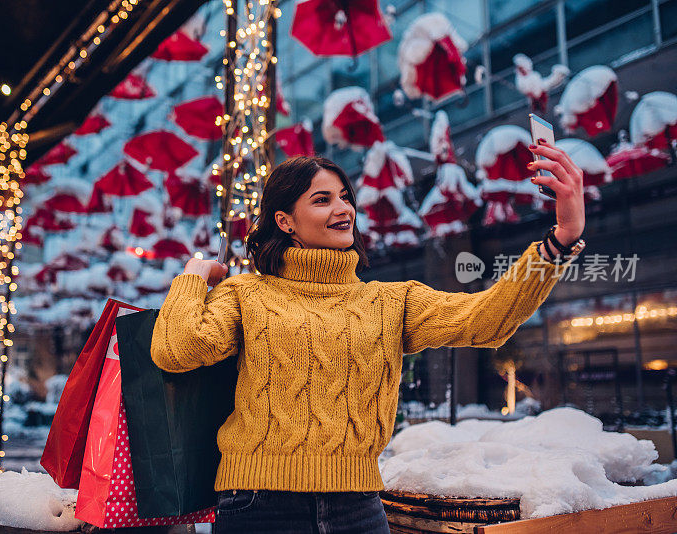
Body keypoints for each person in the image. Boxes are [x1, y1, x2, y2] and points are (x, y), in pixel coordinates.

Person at [150, 142, 585, 534]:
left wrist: (559, 241)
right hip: (259, 505)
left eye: (345, 198)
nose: (343, 209)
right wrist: (193, 277)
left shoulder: (391, 302)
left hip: (358, 508)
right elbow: (176, 350)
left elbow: (487, 319)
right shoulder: (245, 294)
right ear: (285, 220)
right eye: (322, 200)